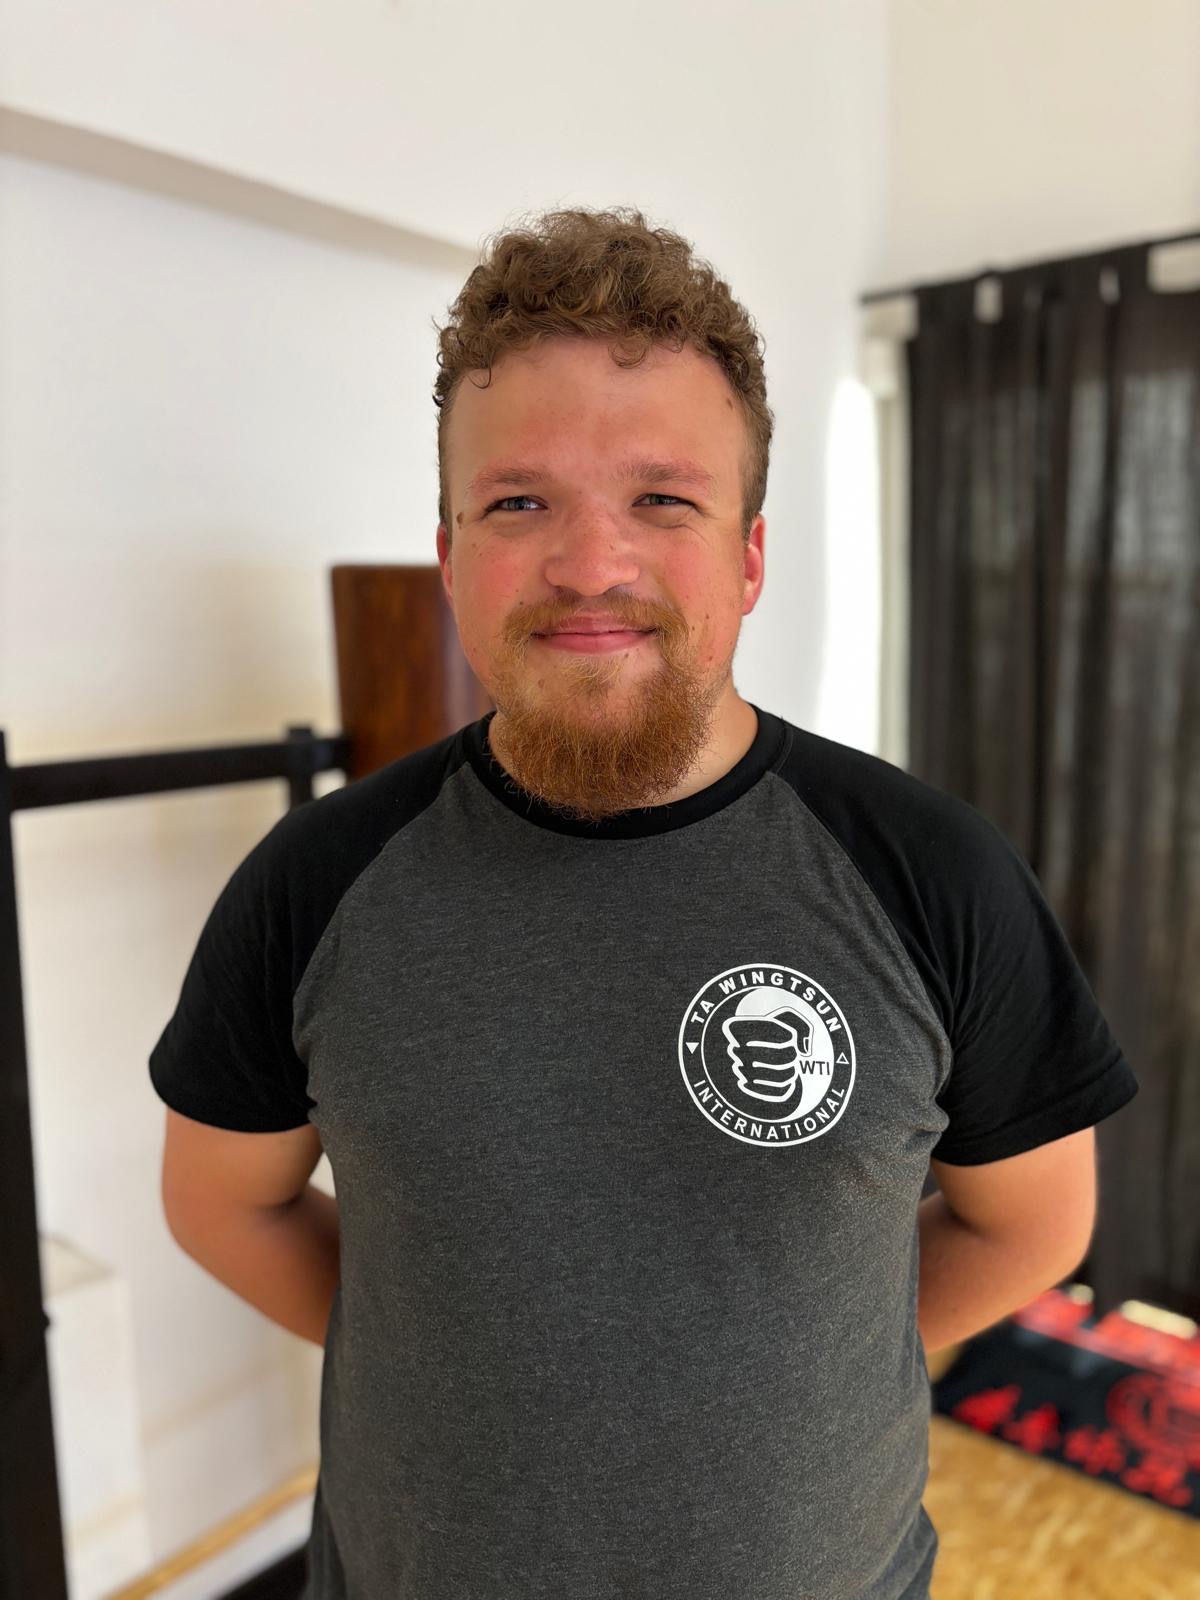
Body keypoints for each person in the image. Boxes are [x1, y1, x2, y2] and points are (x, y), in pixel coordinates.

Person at [150, 205, 1139, 1600]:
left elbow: (1032, 1222)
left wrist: (793, 1366)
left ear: (749, 556)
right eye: (519, 503)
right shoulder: (315, 884)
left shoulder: (930, 873)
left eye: (663, 500)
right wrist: (449, 1364)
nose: (592, 566)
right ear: (451, 557)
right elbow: (222, 1205)